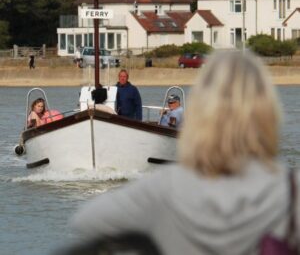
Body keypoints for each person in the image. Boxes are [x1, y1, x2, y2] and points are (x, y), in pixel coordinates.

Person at [70, 52, 299, 255]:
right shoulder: (292, 191)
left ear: (200, 113)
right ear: (269, 114)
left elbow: (86, 221)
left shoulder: (165, 187)